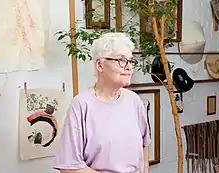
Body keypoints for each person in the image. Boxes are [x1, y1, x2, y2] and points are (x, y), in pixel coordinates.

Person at [53, 32, 151, 173]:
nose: (129, 67)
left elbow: (144, 145)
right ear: (100, 65)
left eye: (131, 61)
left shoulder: (134, 100)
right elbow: (68, 168)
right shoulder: (81, 105)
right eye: (121, 60)